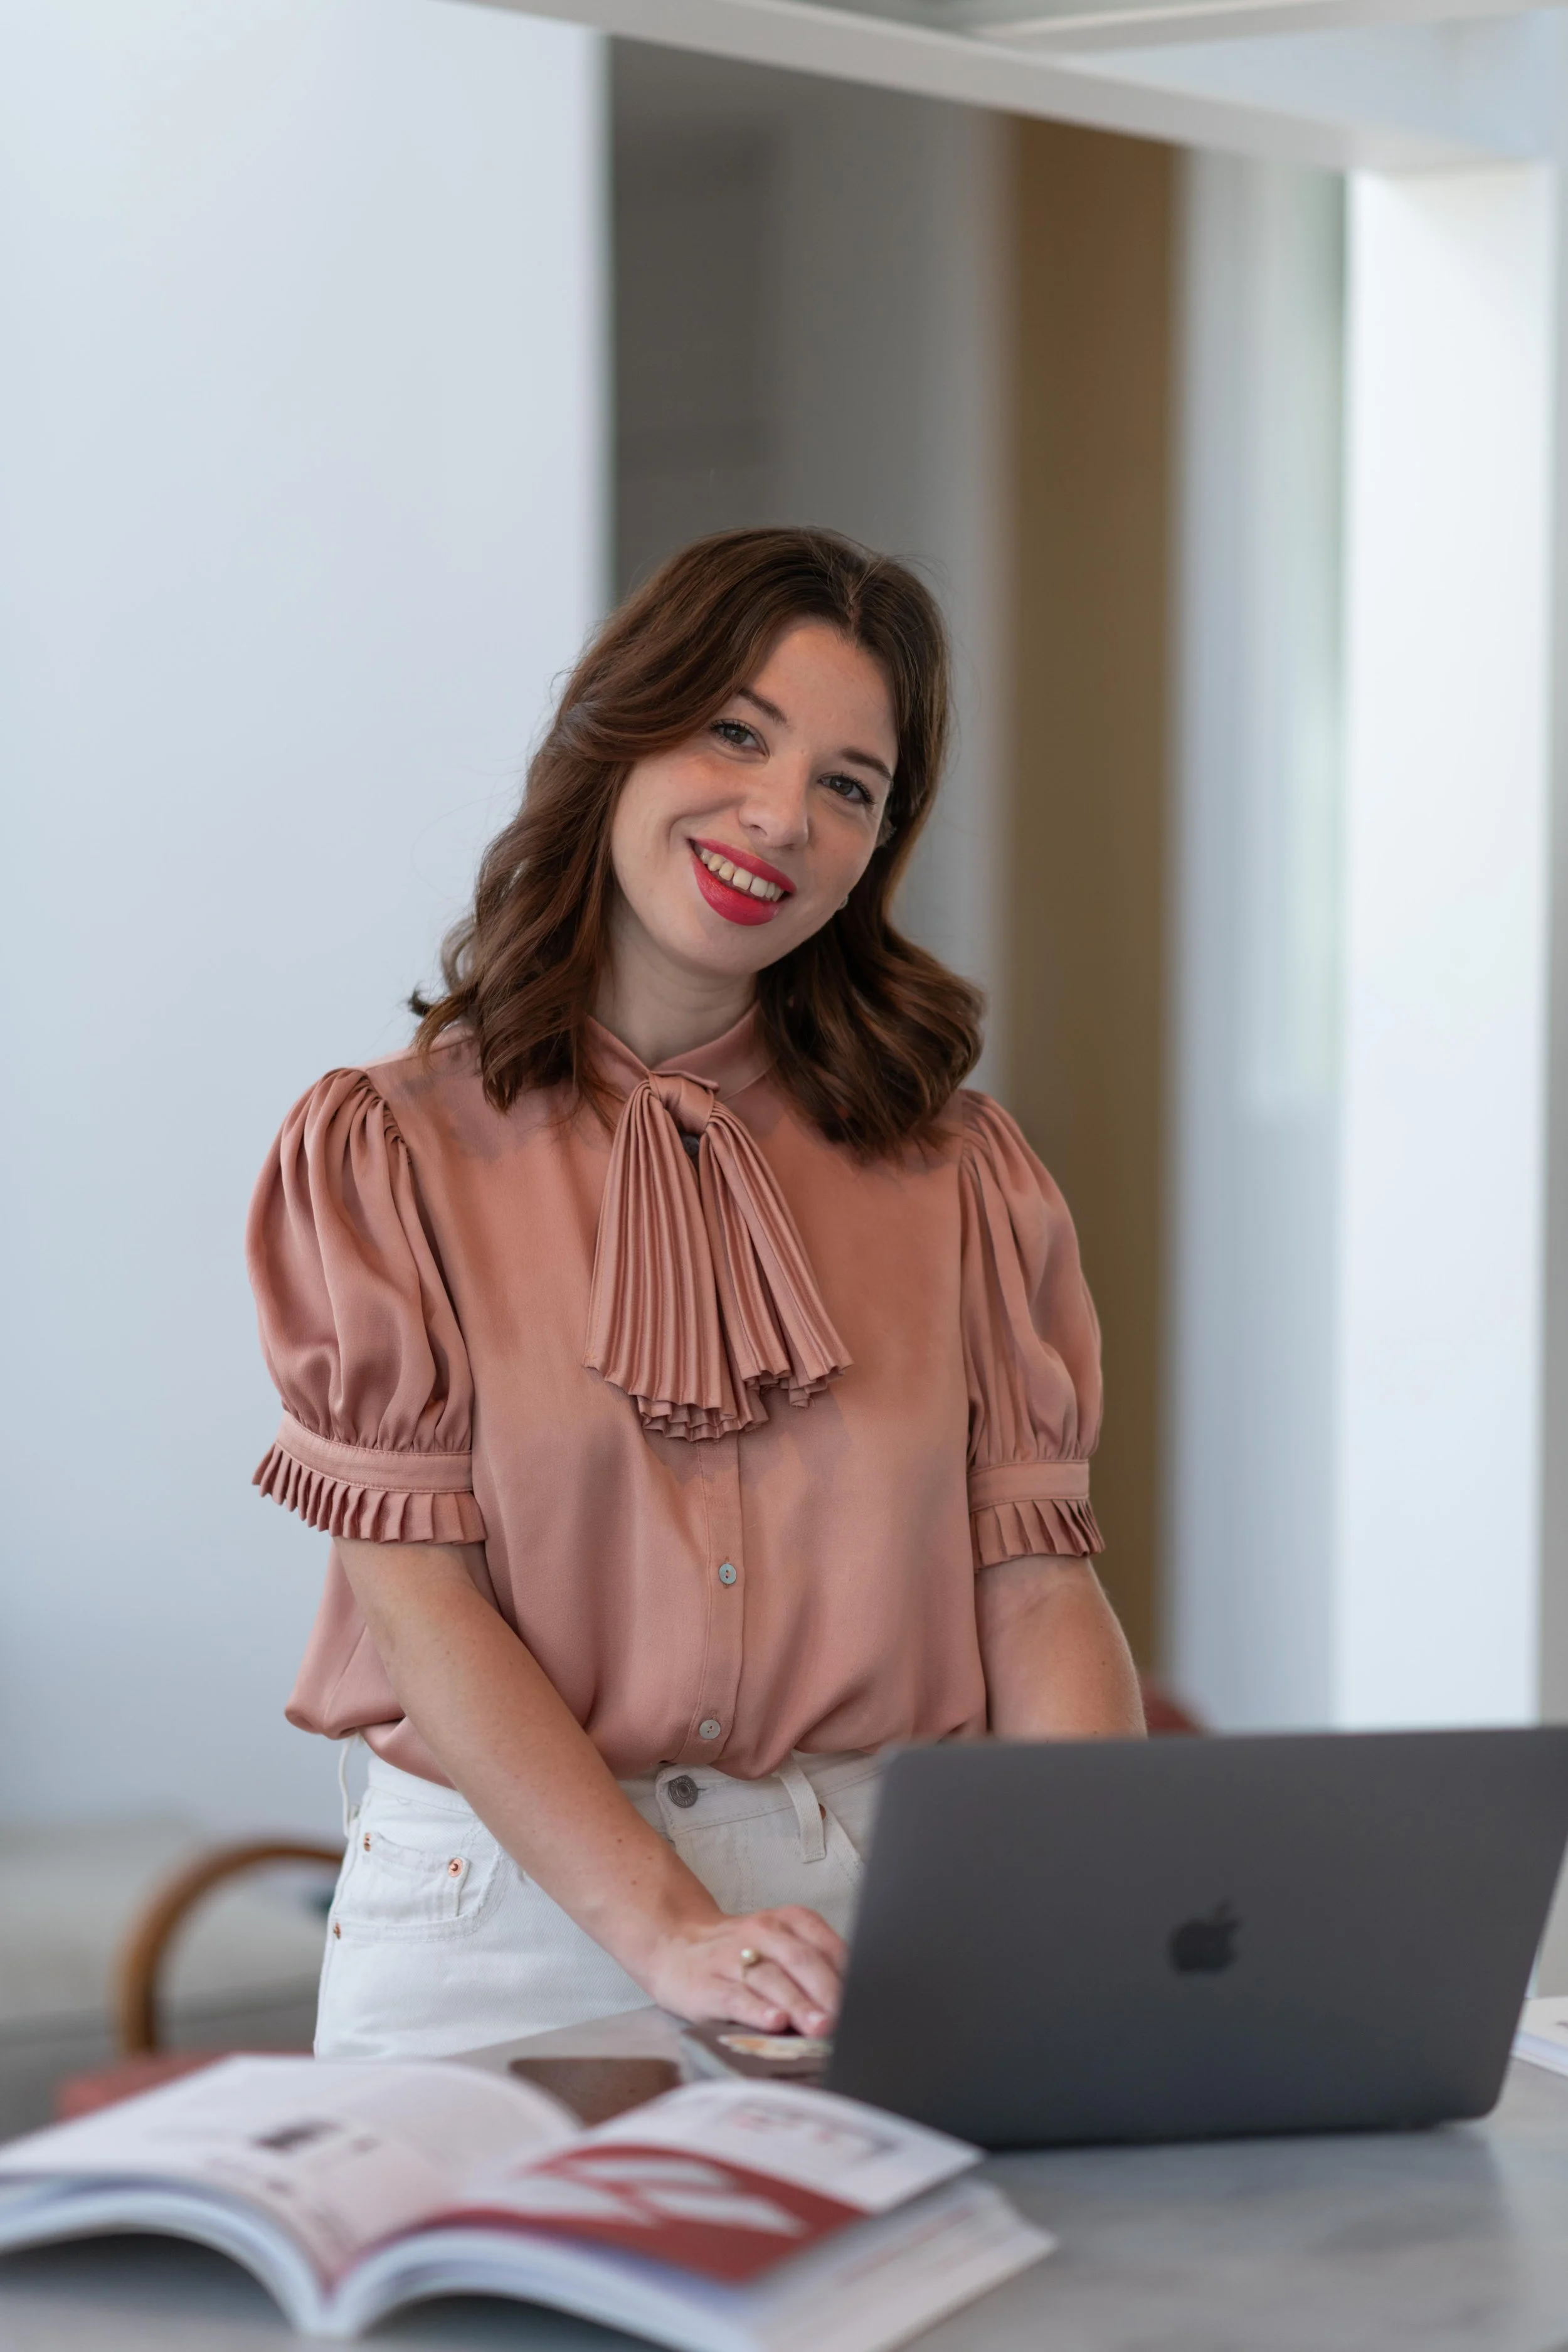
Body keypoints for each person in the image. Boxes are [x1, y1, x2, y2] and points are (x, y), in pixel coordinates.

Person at [246, 526, 1145, 2063]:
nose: (779, 814)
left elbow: (1037, 1587)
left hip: (876, 1916)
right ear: (621, 727)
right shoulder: (383, 1156)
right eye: (735, 730)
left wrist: (1077, 1912)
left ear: (875, 850)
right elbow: (422, 1607)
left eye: (848, 787)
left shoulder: (963, 1177)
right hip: (502, 1921)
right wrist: (665, 1927)